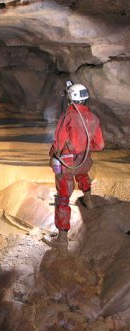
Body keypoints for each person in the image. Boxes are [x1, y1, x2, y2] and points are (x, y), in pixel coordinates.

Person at [45, 82, 105, 249]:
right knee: (82, 174)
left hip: (68, 164)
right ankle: (88, 200)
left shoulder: (68, 116)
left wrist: (53, 154)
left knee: (63, 197)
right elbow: (100, 145)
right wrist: (85, 149)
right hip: (84, 162)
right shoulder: (94, 118)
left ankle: (62, 238)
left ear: (71, 98)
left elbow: (59, 142)